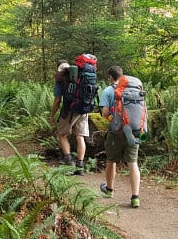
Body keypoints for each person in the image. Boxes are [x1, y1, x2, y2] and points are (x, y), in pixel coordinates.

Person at [98, 65, 141, 208]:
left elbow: (104, 113)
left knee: (111, 160)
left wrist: (114, 121)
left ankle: (109, 190)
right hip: (134, 131)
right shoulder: (133, 89)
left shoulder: (109, 91)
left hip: (116, 133)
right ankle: (135, 197)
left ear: (110, 77)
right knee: (132, 163)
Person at [50, 60, 88, 175]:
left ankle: (69, 164)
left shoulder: (60, 78)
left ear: (58, 68)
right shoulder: (80, 75)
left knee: (61, 134)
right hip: (83, 109)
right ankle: (80, 167)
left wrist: (52, 115)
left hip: (69, 110)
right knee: (80, 136)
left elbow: (57, 100)